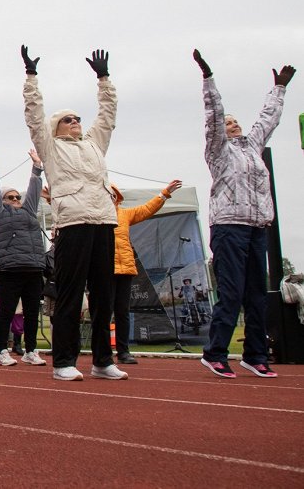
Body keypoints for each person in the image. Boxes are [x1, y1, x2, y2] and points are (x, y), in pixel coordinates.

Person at [22, 45, 124, 381]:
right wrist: (31, 77)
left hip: (103, 221)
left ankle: (102, 361)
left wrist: (103, 79)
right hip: (73, 223)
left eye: (78, 118)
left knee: (103, 296)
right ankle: (64, 361)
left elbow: (107, 114)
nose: (76, 122)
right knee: (69, 294)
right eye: (68, 119)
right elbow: (35, 116)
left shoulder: (94, 144)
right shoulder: (49, 147)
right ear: (57, 127)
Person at [193, 50, 294, 379]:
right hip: (228, 226)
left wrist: (278, 89)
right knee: (232, 291)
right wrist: (208, 79)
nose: (233, 125)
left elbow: (268, 118)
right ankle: (215, 352)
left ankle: (255, 354)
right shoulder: (218, 151)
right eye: (229, 123)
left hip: (257, 228)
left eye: (236, 122)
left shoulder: (253, 146)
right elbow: (214, 115)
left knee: (256, 294)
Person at [0, 146, 47, 367]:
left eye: (17, 196)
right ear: (3, 201)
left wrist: (37, 168)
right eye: (10, 197)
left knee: (31, 312)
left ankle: (31, 350)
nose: (16, 199)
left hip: (33, 267)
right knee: (7, 311)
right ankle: (2, 351)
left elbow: (35, 191)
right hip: (9, 269)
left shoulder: (29, 211)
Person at [110, 180, 182, 364]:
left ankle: (123, 351)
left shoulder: (125, 215)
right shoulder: (94, 216)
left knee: (122, 312)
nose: (109, 197)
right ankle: (102, 351)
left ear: (116, 198)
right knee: (102, 313)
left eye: (112, 195)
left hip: (124, 269)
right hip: (104, 270)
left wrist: (164, 194)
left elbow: (146, 209)